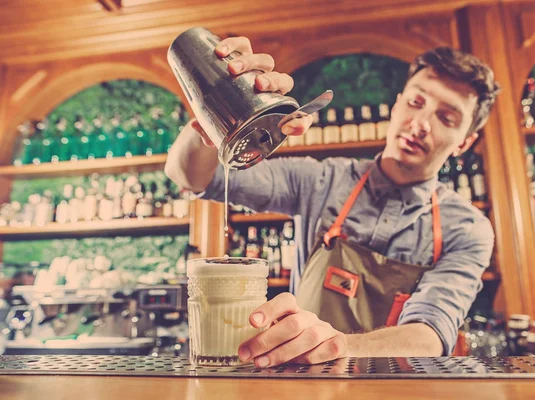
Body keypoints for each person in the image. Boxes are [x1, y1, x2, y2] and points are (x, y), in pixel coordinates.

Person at [165, 35, 500, 368]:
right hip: (302, 387)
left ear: (464, 142)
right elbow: (194, 177)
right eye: (416, 103)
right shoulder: (322, 181)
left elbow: (430, 336)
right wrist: (217, 113)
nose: (421, 124)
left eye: (447, 118)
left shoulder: (467, 228)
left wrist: (334, 345)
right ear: (397, 104)